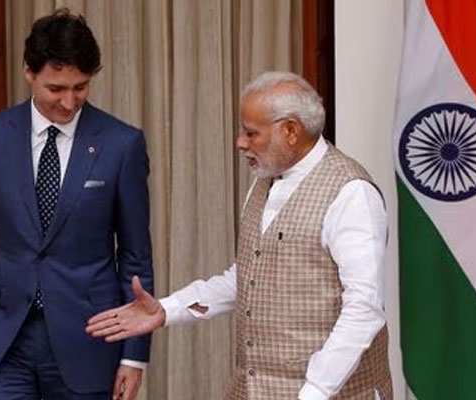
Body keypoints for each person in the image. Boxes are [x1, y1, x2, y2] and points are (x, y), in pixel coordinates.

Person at [87, 71, 393, 400]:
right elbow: (249, 277)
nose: (240, 143)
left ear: (290, 131)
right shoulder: (264, 181)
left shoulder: (350, 193)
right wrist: (167, 309)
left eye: (250, 133)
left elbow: (364, 309)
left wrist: (315, 392)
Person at [0, 9, 153, 400]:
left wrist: (134, 357)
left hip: (88, 340)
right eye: (56, 88)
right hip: (1, 341)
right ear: (29, 72)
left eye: (80, 87)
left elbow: (135, 256)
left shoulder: (121, 144)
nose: (69, 101)